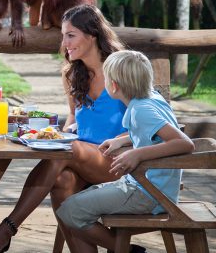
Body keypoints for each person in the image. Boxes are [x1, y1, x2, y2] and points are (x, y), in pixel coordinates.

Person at [0, 4, 128, 253]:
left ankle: (7, 229)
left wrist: (120, 140)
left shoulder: (121, 69)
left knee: (64, 151)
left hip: (119, 161)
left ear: (92, 35)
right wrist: (66, 130)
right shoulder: (72, 74)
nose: (65, 43)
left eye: (71, 35)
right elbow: (73, 115)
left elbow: (147, 118)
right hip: (83, 158)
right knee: (62, 180)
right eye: (63, 36)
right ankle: (124, 249)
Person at [56, 50, 195, 253]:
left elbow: (184, 144)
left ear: (114, 86)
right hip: (147, 187)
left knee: (70, 211)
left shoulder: (141, 110)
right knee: (76, 203)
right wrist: (120, 141)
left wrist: (137, 154)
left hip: (149, 193)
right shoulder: (149, 100)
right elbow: (154, 133)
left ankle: (127, 250)